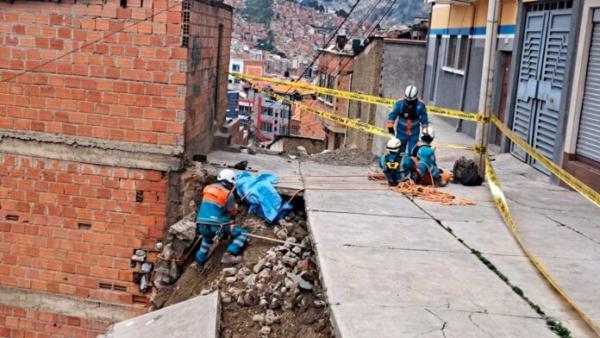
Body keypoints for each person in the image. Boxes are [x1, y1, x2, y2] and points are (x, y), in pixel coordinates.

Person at [195, 169, 249, 268]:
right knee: (243, 233)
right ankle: (229, 254)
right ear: (230, 181)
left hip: (201, 225)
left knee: (207, 239)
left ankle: (199, 261)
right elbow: (231, 211)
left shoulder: (207, 188)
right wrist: (236, 207)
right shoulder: (227, 194)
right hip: (217, 226)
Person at [387, 85, 429, 154]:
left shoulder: (421, 105)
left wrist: (425, 133)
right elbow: (392, 115)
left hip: (414, 133)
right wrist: (390, 127)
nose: (409, 103)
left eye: (411, 101)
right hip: (401, 132)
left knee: (413, 151)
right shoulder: (399, 104)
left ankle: (410, 163)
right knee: (399, 151)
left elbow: (424, 120)